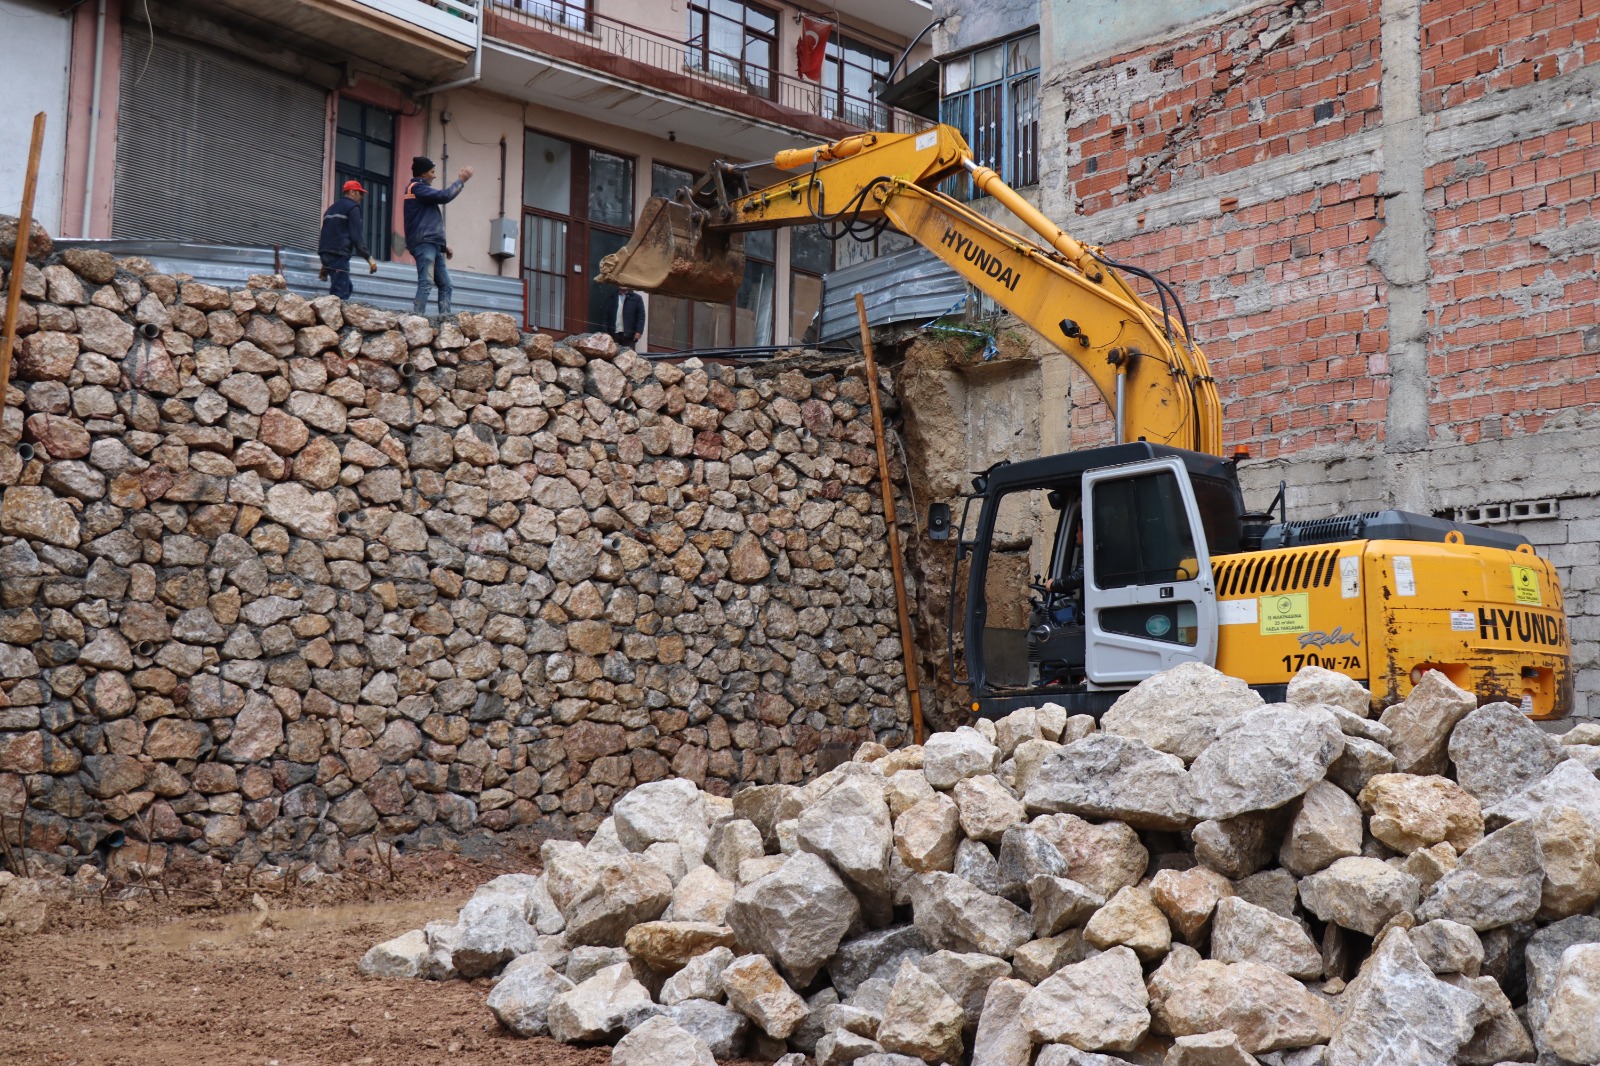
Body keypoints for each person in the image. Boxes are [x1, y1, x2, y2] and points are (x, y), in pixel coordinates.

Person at [403, 155, 472, 317]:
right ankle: (417, 319)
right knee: (426, 282)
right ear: (422, 174)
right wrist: (460, 181)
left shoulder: (421, 192)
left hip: (431, 243)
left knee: (446, 284)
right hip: (424, 242)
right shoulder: (416, 187)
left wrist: (442, 246)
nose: (434, 175)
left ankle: (445, 321)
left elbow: (427, 220)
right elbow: (444, 196)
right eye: (432, 172)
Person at [317, 179, 377, 300]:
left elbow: (327, 234)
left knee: (347, 287)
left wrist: (324, 264)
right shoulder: (352, 208)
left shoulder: (331, 209)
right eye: (360, 193)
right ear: (352, 192)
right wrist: (369, 258)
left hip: (326, 254)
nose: (361, 197)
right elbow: (356, 236)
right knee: (340, 292)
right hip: (339, 255)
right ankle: (332, 317)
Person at [610, 285, 645, 350]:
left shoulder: (637, 298)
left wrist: (639, 331)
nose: (623, 285)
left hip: (629, 335)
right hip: (613, 335)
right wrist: (605, 332)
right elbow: (606, 316)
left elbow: (641, 316)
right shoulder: (611, 297)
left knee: (628, 357)